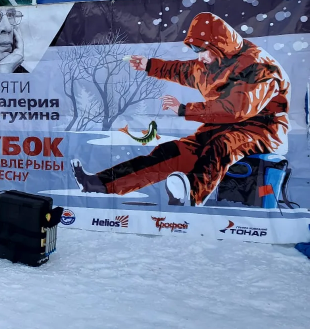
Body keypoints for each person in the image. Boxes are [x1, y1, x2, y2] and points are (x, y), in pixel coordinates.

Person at [72, 12, 290, 206]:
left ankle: (191, 196)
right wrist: (149, 65)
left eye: (202, 50)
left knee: (220, 147)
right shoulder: (210, 63)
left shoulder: (259, 66)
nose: (199, 56)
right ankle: (99, 184)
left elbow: (237, 109)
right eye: (195, 49)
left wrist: (185, 109)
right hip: (221, 126)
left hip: (262, 130)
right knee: (172, 152)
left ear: (218, 45)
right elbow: (182, 70)